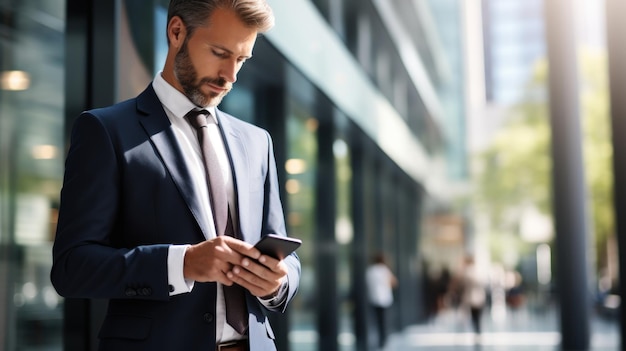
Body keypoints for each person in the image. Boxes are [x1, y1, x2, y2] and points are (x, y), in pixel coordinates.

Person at [50, 1, 301, 350]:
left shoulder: (257, 142)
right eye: (219, 53)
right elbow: (72, 268)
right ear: (177, 32)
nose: (230, 75)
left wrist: (277, 284)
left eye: (241, 60)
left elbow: (284, 255)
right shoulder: (106, 131)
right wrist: (181, 263)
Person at [366, 252, 398, 348]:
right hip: (384, 300)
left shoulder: (370, 271)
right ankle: (383, 341)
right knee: (384, 321)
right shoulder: (384, 270)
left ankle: (378, 340)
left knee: (376, 321)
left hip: (373, 299)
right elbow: (394, 283)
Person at [460, 256, 486, 338]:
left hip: (472, 297)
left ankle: (477, 330)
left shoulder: (467, 271)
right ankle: (478, 330)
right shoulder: (478, 270)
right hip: (479, 297)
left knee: (474, 315)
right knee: (478, 316)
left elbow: (463, 284)